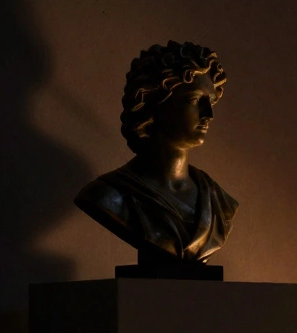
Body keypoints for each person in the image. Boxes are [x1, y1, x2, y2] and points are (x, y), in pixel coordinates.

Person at [76, 41, 237, 272]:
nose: (208, 114)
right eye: (194, 99)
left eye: (210, 101)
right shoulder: (108, 196)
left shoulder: (220, 202)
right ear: (154, 102)